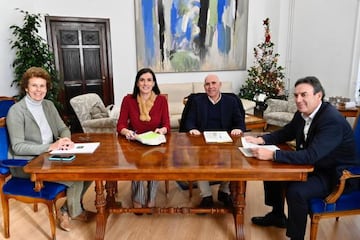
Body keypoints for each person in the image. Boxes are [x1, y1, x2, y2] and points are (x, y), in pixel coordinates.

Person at [245, 76, 359, 240]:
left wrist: (273, 154)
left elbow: (311, 155)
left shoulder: (331, 121)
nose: (298, 100)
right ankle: (277, 215)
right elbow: (286, 132)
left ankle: (296, 237)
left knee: (296, 191)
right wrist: (262, 140)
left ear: (318, 96)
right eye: (296, 95)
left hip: (337, 175)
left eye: (304, 95)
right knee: (273, 172)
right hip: (317, 165)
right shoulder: (303, 113)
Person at [6, 67, 94, 232]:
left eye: (42, 86)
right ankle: (72, 212)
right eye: (34, 86)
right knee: (76, 177)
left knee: (90, 171)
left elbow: (62, 128)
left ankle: (66, 210)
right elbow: (18, 146)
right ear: (26, 87)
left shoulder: (48, 105)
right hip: (27, 164)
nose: (39, 90)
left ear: (47, 88)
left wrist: (65, 138)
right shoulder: (16, 112)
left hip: (50, 156)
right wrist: (50, 146)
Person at [184, 74, 246, 208]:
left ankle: (224, 191)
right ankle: (206, 196)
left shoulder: (231, 101)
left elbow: (240, 122)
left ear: (220, 85)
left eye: (213, 83)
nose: (210, 86)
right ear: (204, 86)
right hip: (203, 142)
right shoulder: (197, 101)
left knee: (234, 161)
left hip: (225, 143)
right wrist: (192, 129)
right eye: (207, 84)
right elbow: (189, 121)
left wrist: (237, 128)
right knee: (197, 162)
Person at [117, 67, 170, 210]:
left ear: (153, 83)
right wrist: (126, 131)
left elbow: (166, 124)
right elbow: (120, 124)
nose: (145, 83)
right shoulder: (128, 100)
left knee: (155, 163)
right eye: (142, 80)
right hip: (135, 141)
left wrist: (162, 130)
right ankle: (138, 197)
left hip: (155, 141)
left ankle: (151, 197)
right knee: (137, 164)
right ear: (137, 83)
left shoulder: (161, 100)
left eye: (149, 80)